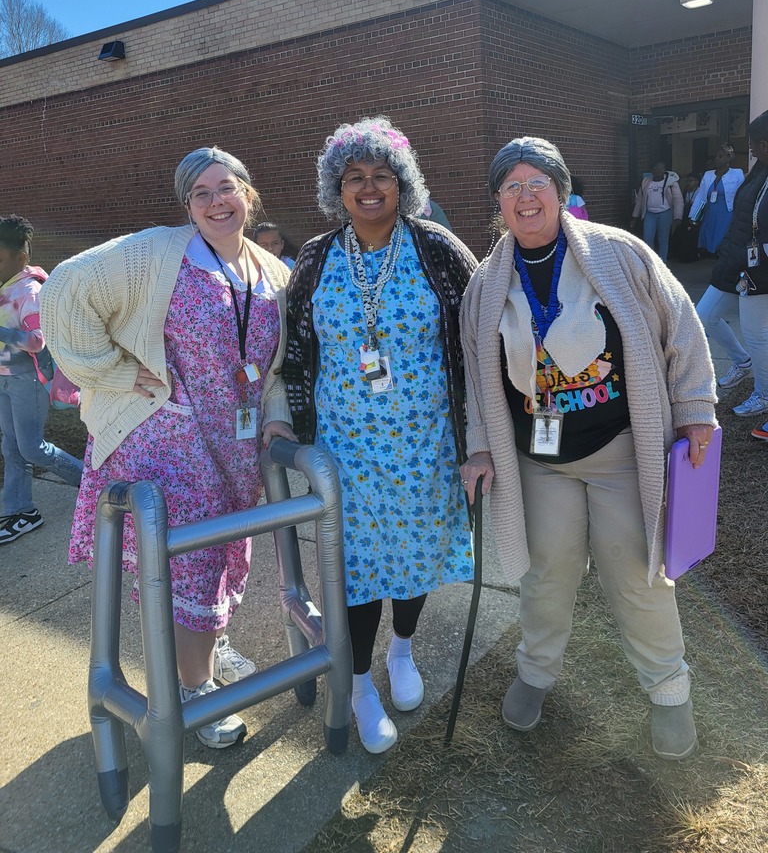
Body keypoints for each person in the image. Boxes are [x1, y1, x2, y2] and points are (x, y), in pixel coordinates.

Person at [460, 136, 717, 760]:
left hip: (621, 448)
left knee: (638, 570)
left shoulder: (618, 253)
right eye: (512, 186)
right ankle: (536, 672)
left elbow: (679, 321)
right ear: (498, 201)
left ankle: (668, 689)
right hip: (539, 460)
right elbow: (475, 372)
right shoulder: (485, 283)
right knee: (544, 572)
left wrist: (695, 409)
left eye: (537, 182)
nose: (526, 197)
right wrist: (481, 449)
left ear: (561, 191)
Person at [40, 146, 296, 749]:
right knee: (194, 563)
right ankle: (193, 686)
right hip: (168, 438)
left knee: (220, 554)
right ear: (187, 205)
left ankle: (204, 646)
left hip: (233, 441)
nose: (215, 202)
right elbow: (64, 291)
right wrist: (112, 372)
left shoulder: (273, 273)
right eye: (200, 193)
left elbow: (280, 367)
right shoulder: (156, 251)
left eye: (226, 188)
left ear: (248, 194)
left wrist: (276, 419)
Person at [283, 117, 476, 754]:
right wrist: (285, 419)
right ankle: (361, 685)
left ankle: (402, 651)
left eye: (382, 176)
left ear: (403, 184)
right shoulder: (313, 259)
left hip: (427, 444)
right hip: (347, 449)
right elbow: (294, 351)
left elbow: (478, 335)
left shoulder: (437, 249)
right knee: (357, 569)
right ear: (336, 189)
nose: (369, 188)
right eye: (355, 178)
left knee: (416, 556)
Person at [0, 215, 83, 545]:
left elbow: (37, 340)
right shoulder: (3, 288)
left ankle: (93, 482)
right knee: (11, 448)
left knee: (33, 448)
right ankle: (21, 512)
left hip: (27, 381)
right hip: (4, 379)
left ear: (20, 259)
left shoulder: (28, 291)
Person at [696, 111, 768, 421]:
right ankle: (743, 363)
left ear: (766, 144)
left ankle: (764, 394)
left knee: (756, 333)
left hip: (759, 268)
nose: (749, 149)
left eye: (753, 143)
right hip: (736, 260)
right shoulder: (759, 171)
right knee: (705, 315)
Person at [686, 144, 744, 257]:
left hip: (727, 213)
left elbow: (740, 196)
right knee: (710, 243)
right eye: (716, 157)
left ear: (728, 158)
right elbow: (701, 197)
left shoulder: (737, 173)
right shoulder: (708, 175)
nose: (717, 159)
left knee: (723, 242)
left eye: (721, 156)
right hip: (710, 213)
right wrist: (693, 215)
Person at [630, 161, 683, 263]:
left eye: (662, 168)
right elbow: (640, 200)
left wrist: (678, 217)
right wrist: (634, 216)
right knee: (647, 238)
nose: (660, 171)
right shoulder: (646, 182)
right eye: (657, 169)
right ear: (652, 170)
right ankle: (651, 261)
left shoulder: (671, 182)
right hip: (650, 214)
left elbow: (678, 200)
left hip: (665, 214)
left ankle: (663, 262)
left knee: (663, 239)